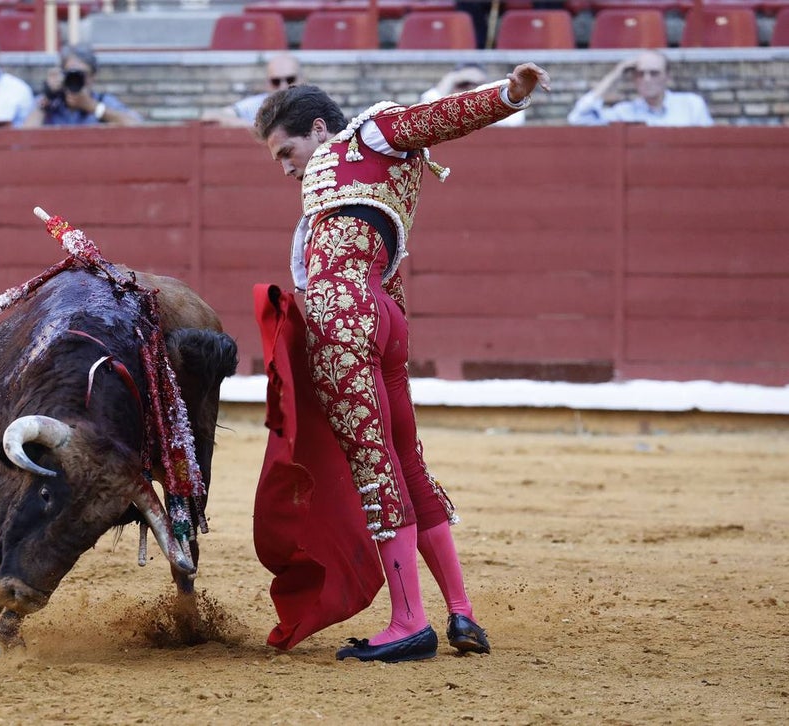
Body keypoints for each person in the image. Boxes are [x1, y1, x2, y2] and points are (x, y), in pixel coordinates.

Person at [253, 62, 551, 663]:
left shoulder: (368, 133)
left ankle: (410, 622)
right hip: (387, 310)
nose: (285, 168)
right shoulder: (373, 165)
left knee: (375, 466)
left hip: (346, 314)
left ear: (317, 128)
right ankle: (461, 614)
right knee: (407, 463)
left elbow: (436, 115)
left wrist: (509, 95)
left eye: (287, 152)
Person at [567, 49, 713, 127]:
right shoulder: (624, 112)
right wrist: (616, 73)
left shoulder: (691, 105)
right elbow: (578, 119)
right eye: (640, 74)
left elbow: (709, 145)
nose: (647, 79)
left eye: (654, 73)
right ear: (634, 79)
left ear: (667, 77)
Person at [24, 43, 142, 127]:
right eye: (70, 73)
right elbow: (24, 137)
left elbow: (137, 126)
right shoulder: (49, 103)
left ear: (92, 76)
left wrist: (93, 107)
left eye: (81, 74)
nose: (75, 79)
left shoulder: (103, 101)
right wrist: (48, 98)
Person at [202, 53, 301, 127]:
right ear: (267, 84)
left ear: (301, 79)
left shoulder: (312, 103)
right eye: (276, 81)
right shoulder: (257, 105)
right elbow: (210, 116)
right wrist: (253, 128)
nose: (283, 87)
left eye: (290, 80)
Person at [420, 63, 524, 127]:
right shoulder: (444, 110)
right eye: (463, 84)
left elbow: (515, 121)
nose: (470, 89)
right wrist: (451, 78)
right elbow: (426, 112)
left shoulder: (494, 112)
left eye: (476, 85)